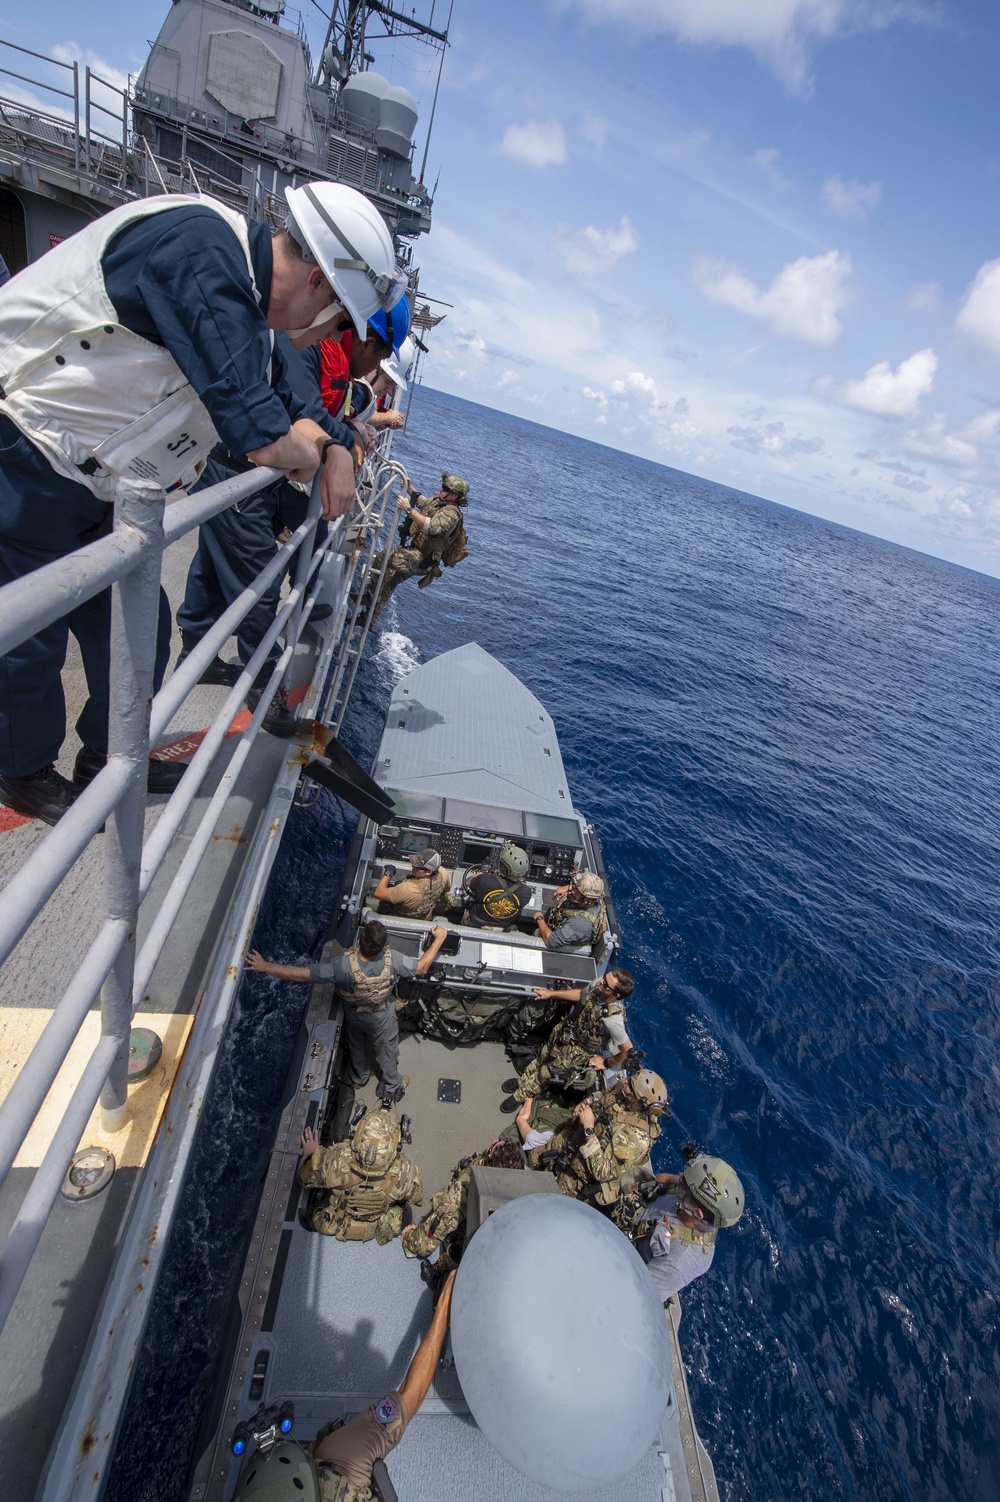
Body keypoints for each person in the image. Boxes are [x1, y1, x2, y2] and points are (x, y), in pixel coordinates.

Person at [0, 182, 392, 823]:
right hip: (24, 452)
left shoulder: (244, 303)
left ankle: (108, 754)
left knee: (138, 629)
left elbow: (299, 407)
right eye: (344, 318)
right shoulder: (203, 251)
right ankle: (21, 773)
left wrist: (340, 444)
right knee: (30, 640)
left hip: (90, 483)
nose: (335, 334)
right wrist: (321, 451)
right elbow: (263, 433)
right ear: (320, 283)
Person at [247, 918, 448, 1106]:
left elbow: (303, 975)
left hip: (354, 1014)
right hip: (382, 1017)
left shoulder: (342, 966)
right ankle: (392, 1086)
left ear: (359, 940)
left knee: (356, 1045)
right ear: (382, 947)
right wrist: (439, 939)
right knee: (387, 1051)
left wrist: (266, 967)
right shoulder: (393, 960)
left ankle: (358, 1079)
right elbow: (421, 968)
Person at [306, 1269, 456, 1500]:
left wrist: (444, 1306)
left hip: (332, 1469)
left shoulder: (345, 1457)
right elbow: (408, 1395)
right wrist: (445, 1304)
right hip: (332, 1474)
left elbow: (408, 1397)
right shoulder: (345, 1460)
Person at [525, 1068, 669, 1208]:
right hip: (574, 1139)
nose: (625, 1081)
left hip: (581, 1174)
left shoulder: (636, 1138)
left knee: (549, 1202)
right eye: (629, 1079)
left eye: (630, 1085)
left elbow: (602, 1172)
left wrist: (588, 1127)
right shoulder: (626, 1093)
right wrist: (587, 1101)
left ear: (640, 1102)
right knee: (534, 1157)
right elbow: (606, 1095)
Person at [500, 967, 635, 1111]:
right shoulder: (599, 986)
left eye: (606, 984)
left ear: (616, 995)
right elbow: (581, 993)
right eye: (604, 978)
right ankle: (523, 1081)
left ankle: (521, 1094)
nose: (601, 982)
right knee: (543, 1056)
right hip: (566, 1031)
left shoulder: (613, 1021)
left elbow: (628, 1051)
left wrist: (606, 1062)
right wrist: (551, 994)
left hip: (576, 1050)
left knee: (546, 1072)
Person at [296, 1106, 423, 1243]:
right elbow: (418, 1198)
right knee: (406, 1210)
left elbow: (304, 1179)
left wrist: (311, 1155)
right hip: (379, 1226)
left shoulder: (334, 1159)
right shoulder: (406, 1169)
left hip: (338, 1222)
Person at [401, 1137, 524, 1278]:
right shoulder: (524, 1184)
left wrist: (408, 1238)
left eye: (495, 1145)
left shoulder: (462, 1194)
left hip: (473, 1248)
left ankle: (442, 1273)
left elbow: (424, 1244)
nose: (494, 1140)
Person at [630, 1155, 745, 1304]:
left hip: (632, 1261)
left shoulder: (679, 1259)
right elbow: (666, 1180)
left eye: (684, 1184)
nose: (679, 1178)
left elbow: (636, 1295)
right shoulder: (689, 1199)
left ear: (697, 1213)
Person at [361, 472, 469, 627]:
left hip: (423, 560)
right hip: (416, 553)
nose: (442, 490)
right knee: (389, 582)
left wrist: (408, 509)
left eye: (446, 489)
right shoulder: (441, 503)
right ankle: (366, 620)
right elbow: (424, 503)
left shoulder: (452, 513)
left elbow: (432, 527)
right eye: (443, 486)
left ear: (456, 496)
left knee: (385, 557)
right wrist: (409, 488)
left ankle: (370, 596)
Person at [534, 870, 608, 953]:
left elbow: (551, 941)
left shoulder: (579, 924)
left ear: (587, 898)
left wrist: (539, 918)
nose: (572, 891)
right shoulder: (596, 896)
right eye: (575, 887)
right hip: (564, 922)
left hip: (559, 941)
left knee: (537, 933)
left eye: (577, 891)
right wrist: (566, 888)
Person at [464, 842, 532, 930]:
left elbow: (468, 882)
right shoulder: (526, 893)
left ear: (503, 867)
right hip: (502, 929)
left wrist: (479, 875)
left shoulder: (484, 880)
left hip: (475, 925)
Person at [371, 847, 452, 920]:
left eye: (417, 866)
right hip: (424, 920)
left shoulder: (408, 889)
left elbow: (378, 893)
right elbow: (445, 890)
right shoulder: (443, 873)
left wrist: (389, 873)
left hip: (401, 921)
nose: (413, 865)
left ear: (428, 872)